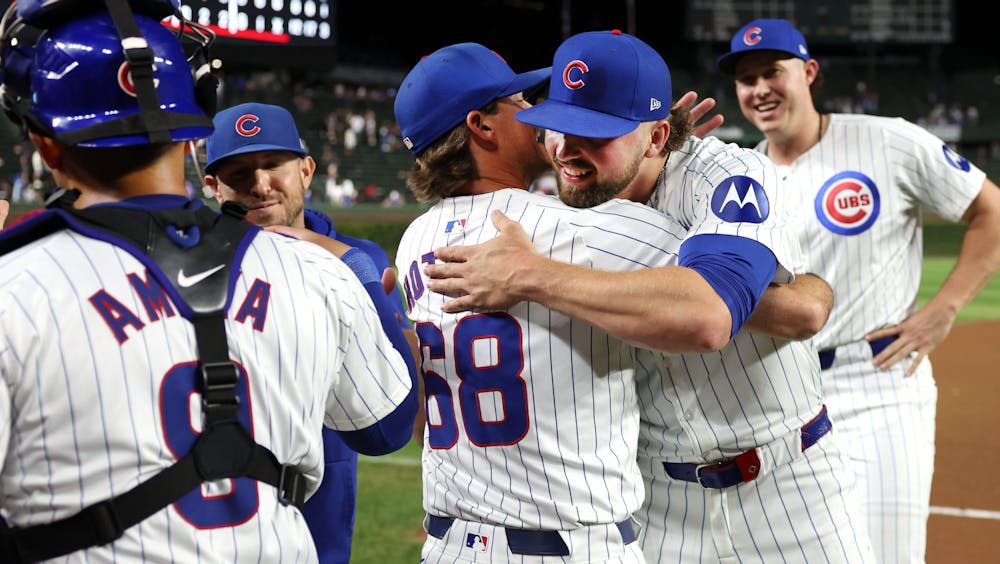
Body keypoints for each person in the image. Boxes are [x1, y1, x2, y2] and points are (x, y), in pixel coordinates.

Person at [424, 30, 875, 563]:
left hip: (787, 488)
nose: (568, 150)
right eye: (558, 128)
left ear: (658, 136)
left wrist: (536, 276)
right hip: (655, 504)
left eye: (596, 134)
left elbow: (718, 316)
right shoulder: (557, 210)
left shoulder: (723, 174)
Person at [0, 3, 416, 562]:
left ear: (45, 143)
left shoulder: (16, 287)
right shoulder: (320, 272)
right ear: (194, 125)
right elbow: (386, 428)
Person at [392, 40, 690, 563]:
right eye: (519, 101)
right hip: (566, 543)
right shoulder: (582, 227)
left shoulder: (416, 239)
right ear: (482, 126)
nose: (535, 112)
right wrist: (668, 162)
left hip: (449, 543)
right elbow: (724, 291)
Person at [717, 18, 1000, 563]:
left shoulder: (885, 139)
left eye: (772, 72)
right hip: (783, 400)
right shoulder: (746, 177)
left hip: (876, 388)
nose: (759, 90)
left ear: (809, 72)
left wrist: (945, 309)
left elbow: (989, 209)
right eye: (746, 79)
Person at [202, 101, 413, 564]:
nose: (260, 186)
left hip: (326, 496)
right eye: (238, 173)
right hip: (213, 501)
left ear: (306, 170)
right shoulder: (191, 272)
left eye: (273, 165)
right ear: (212, 187)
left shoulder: (363, 259)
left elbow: (400, 405)